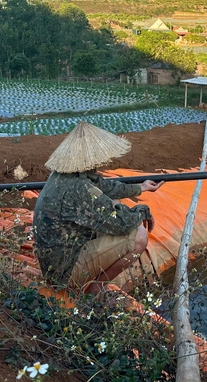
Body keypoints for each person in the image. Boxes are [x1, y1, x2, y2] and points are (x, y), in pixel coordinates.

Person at [33, 122, 163, 294]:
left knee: (114, 200)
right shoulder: (78, 188)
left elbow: (106, 187)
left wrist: (141, 187)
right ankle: (96, 290)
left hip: (61, 253)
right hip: (64, 272)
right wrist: (142, 211)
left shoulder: (64, 174)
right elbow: (122, 224)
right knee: (139, 236)